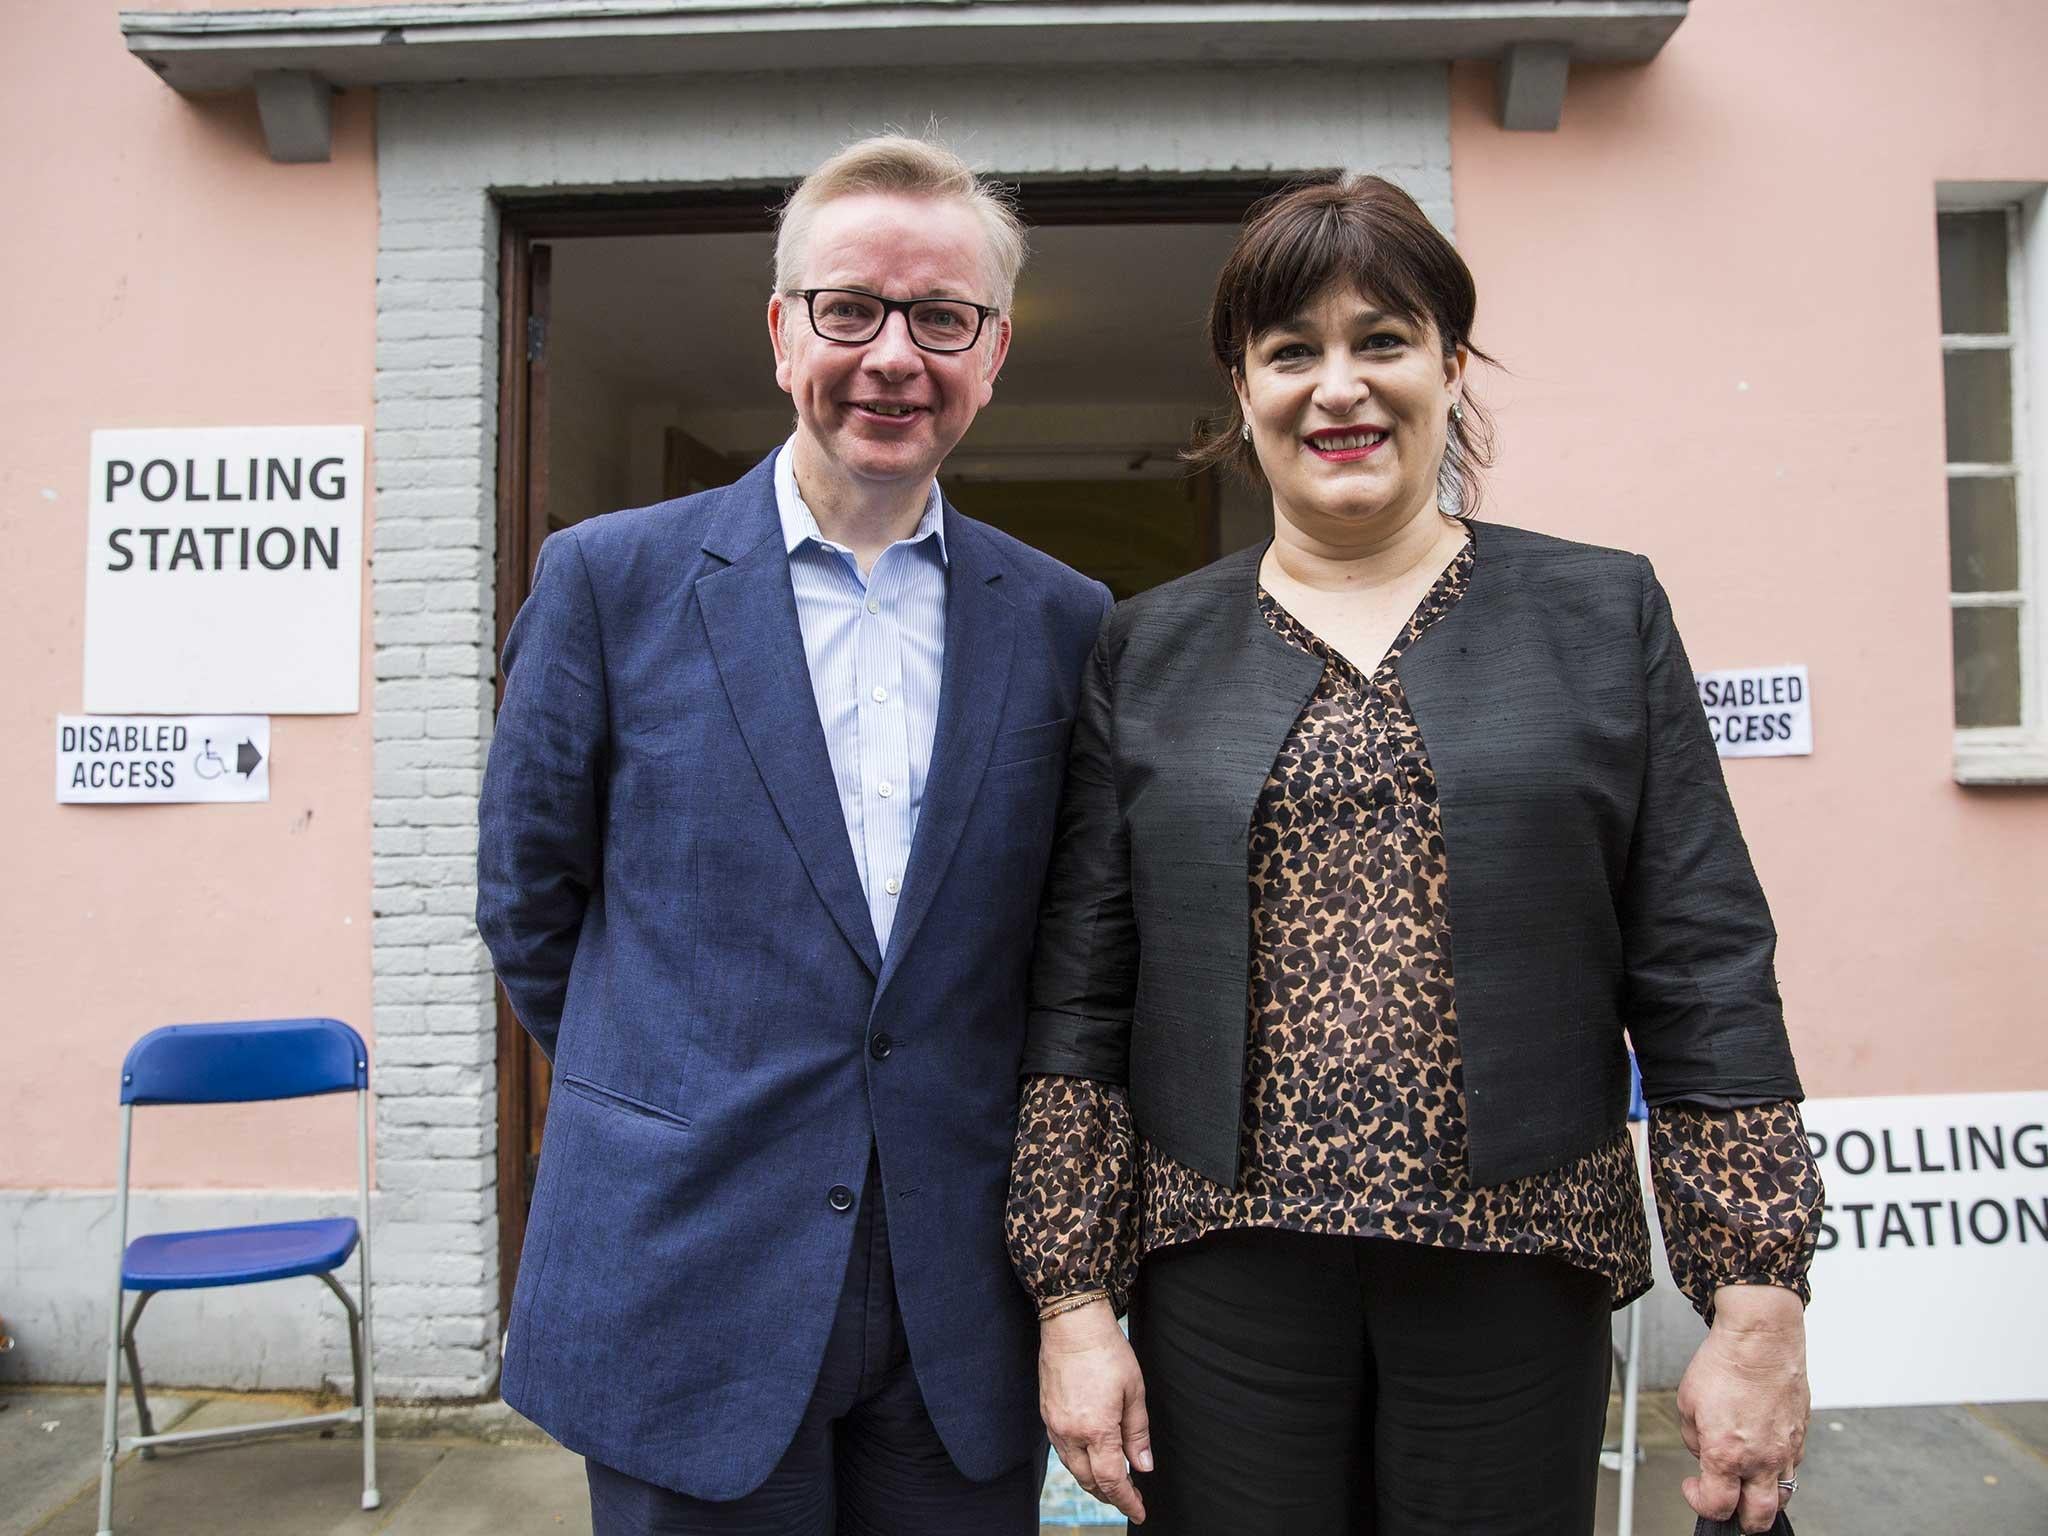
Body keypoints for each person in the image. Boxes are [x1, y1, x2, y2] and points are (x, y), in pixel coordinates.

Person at [1005, 175, 1824, 1536]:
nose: (1341, 388)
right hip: (1224, 1285)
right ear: (1242, 386)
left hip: (1516, 1268)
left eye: (1381, 340)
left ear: (1449, 364)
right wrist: (1072, 1300)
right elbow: (1082, 997)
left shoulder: (1599, 613)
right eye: (1292, 352)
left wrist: (1754, 1296)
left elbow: (1703, 963)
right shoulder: (1144, 651)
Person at [478, 134, 1110, 1535]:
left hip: (960, 1293)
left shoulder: (1065, 621)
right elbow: (530, 904)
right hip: (683, 1269)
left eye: (941, 318)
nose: (895, 356)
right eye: (852, 309)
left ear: (992, 353)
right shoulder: (610, 583)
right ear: (782, 331)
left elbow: (1069, 937)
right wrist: (675, 1077)